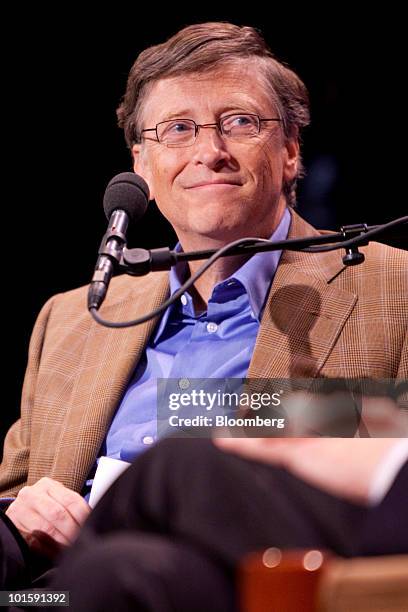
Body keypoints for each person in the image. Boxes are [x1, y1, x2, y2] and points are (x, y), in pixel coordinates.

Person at [0, 21, 407, 591]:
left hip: (233, 586)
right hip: (46, 592)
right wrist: (21, 512)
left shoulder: (392, 289)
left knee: (145, 525)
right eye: (178, 130)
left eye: (239, 123)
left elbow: (390, 456)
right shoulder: (71, 318)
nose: (209, 153)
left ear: (290, 151)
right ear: (141, 164)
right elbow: (15, 488)